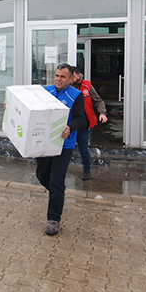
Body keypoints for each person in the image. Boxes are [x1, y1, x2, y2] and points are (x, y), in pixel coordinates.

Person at [36, 64, 89, 236]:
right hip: (44, 143)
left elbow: (81, 118)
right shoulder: (45, 91)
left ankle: (54, 220)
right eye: (57, 75)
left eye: (63, 76)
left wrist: (69, 127)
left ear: (71, 78)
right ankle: (57, 196)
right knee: (42, 176)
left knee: (56, 182)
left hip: (64, 145)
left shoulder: (76, 95)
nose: (58, 79)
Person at [69, 66, 108, 181]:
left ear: (77, 75)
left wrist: (102, 113)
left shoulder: (87, 86)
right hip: (69, 123)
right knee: (64, 148)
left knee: (83, 149)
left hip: (84, 123)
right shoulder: (65, 87)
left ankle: (87, 170)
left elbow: (98, 101)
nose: (71, 80)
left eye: (73, 77)